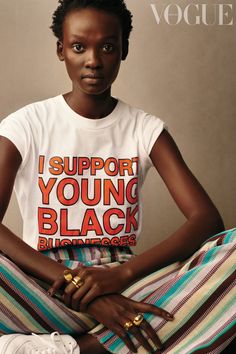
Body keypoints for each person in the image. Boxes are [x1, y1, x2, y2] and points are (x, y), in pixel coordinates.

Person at [0, 0, 235, 353]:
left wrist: (120, 277)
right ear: (61, 49)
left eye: (108, 47)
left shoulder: (145, 129)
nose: (93, 60)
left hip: (127, 283)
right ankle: (126, 340)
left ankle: (79, 349)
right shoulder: (25, 125)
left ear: (124, 50)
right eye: (79, 47)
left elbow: (206, 219)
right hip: (44, 284)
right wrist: (79, 290)